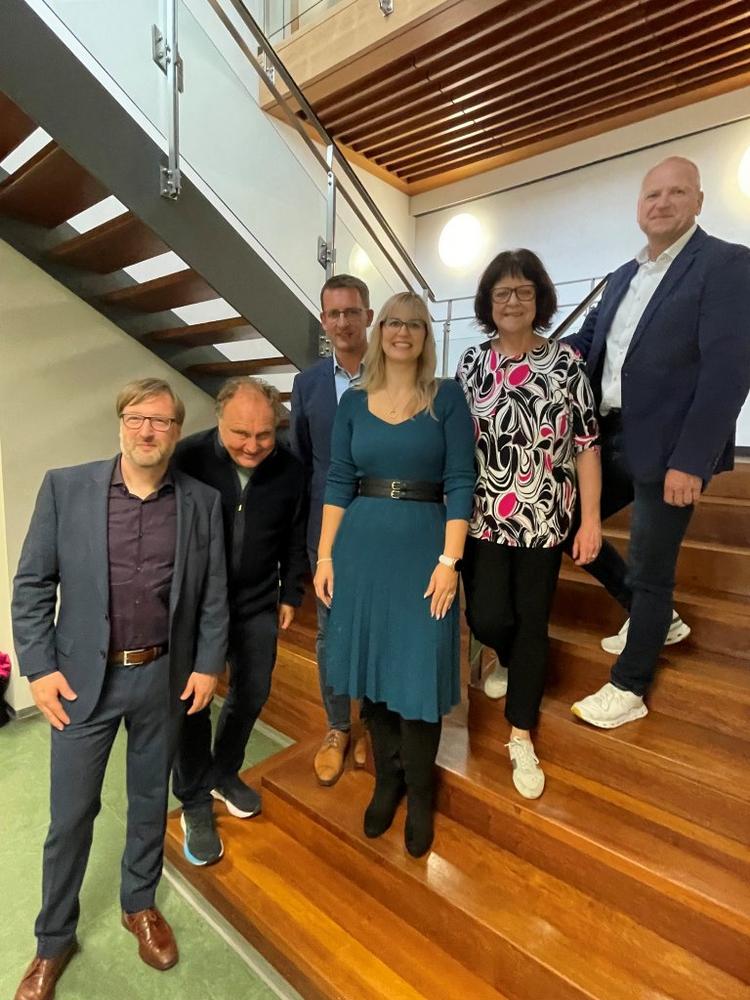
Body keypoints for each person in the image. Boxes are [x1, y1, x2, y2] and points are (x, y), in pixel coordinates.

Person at [11, 379, 228, 1000]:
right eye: (137, 418)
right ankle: (53, 940)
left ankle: (139, 904)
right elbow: (32, 585)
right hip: (82, 682)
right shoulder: (66, 488)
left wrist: (207, 664)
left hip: (162, 676)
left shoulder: (201, 502)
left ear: (176, 431)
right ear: (120, 423)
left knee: (148, 800)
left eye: (161, 421)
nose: (147, 430)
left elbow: (213, 595)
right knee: (71, 814)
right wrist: (39, 668)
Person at [566, 156, 750, 728]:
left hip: (670, 448)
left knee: (650, 565)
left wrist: (692, 460)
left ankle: (630, 686)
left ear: (698, 201)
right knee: (567, 521)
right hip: (607, 435)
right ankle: (657, 618)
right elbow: (588, 343)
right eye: (652, 195)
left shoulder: (726, 264)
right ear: (639, 208)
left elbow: (728, 371)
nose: (662, 203)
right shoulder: (623, 275)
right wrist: (527, 354)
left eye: (676, 193)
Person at [314, 291, 475, 857]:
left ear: (426, 335)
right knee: (374, 674)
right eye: (393, 323)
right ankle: (388, 781)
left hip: (425, 549)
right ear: (379, 330)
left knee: (418, 672)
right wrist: (325, 556)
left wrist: (450, 562)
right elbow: (339, 480)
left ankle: (421, 793)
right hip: (361, 548)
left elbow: (461, 481)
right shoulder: (354, 402)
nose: (402, 332)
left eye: (414, 324)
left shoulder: (447, 398)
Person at [456, 250, 601, 799]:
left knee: (532, 621)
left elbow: (586, 445)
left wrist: (591, 521)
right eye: (502, 293)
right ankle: (508, 658)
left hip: (544, 519)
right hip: (481, 519)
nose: (512, 301)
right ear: (487, 303)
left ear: (539, 298)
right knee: (488, 616)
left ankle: (521, 733)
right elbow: (454, 443)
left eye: (523, 291)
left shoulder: (565, 363)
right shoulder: (472, 363)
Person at [172, 377, 307, 864]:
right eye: (240, 434)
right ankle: (193, 797)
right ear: (218, 420)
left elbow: (295, 536)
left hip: (256, 602)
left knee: (253, 692)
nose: (253, 446)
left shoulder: (290, 469)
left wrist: (291, 592)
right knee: (192, 701)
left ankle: (223, 772)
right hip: (195, 606)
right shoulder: (187, 458)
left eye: (264, 434)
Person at [290, 274, 373, 786]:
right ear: (324, 321)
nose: (343, 322)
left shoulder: (395, 374)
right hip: (328, 534)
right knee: (331, 633)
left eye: (352, 311)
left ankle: (375, 726)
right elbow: (302, 463)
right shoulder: (307, 385)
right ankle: (339, 727)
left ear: (368, 316)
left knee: (381, 629)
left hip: (385, 527)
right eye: (334, 313)